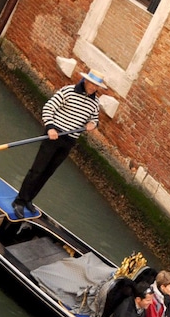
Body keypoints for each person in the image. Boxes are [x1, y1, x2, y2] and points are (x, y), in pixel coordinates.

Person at [12, 69, 105, 218]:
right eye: (92, 84)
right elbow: (48, 107)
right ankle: (19, 201)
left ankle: (29, 199)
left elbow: (94, 119)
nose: (94, 87)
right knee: (37, 170)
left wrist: (93, 124)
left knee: (48, 173)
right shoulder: (68, 91)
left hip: (69, 141)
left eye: (97, 86)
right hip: (54, 136)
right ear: (86, 81)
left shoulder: (95, 102)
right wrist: (50, 128)